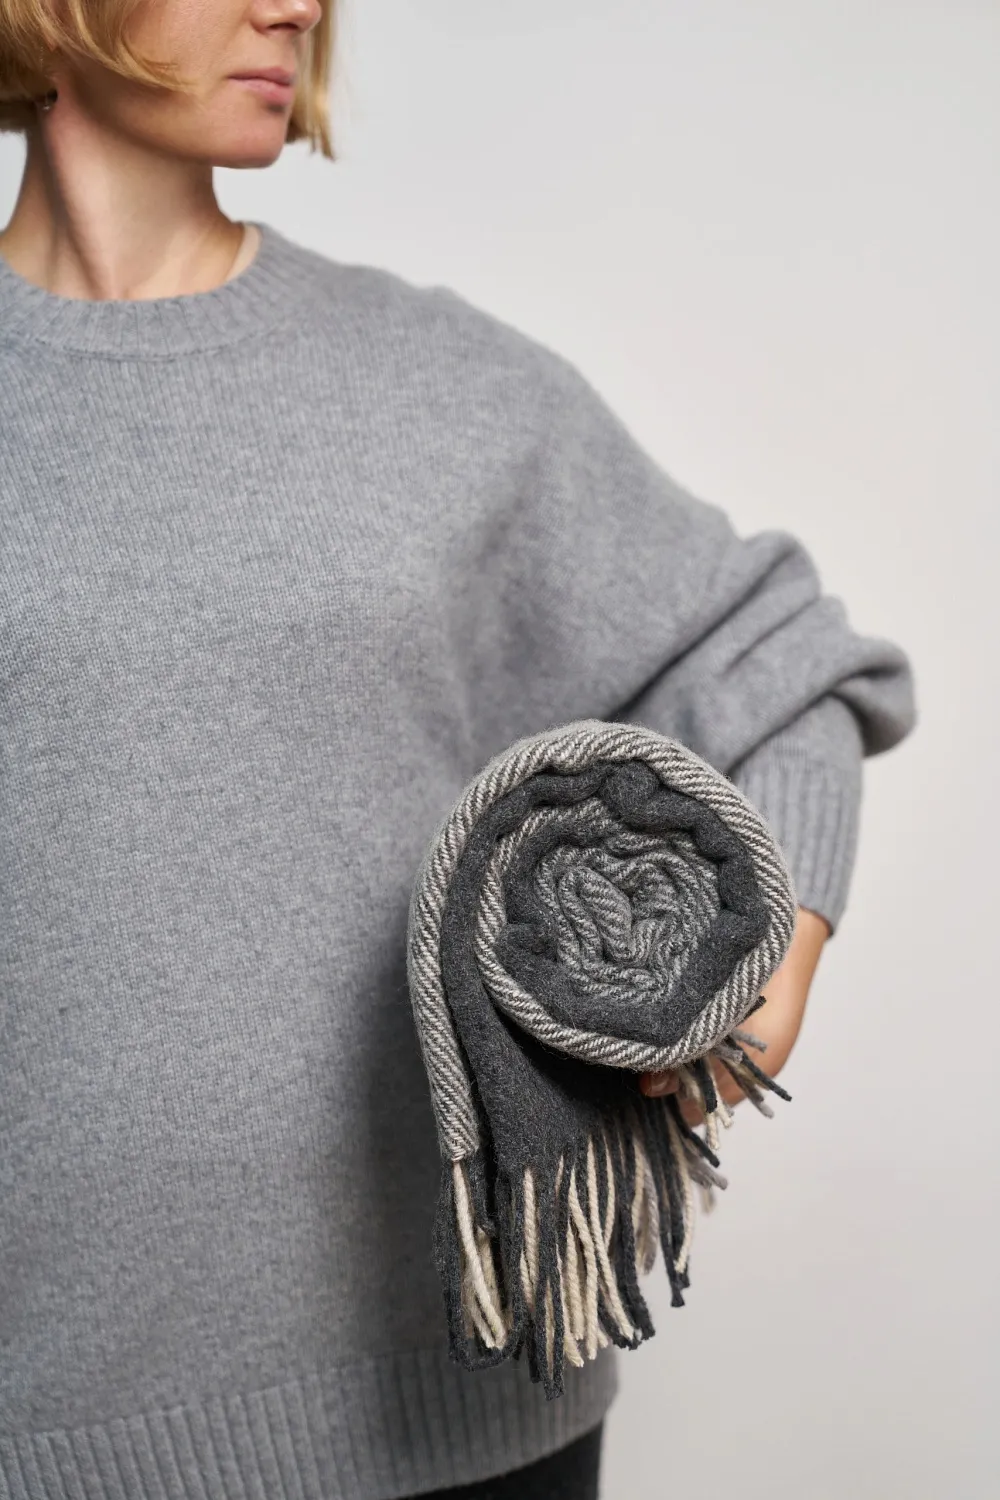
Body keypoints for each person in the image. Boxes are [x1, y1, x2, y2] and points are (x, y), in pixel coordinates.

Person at [0, 4, 917, 1499]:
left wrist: (773, 969)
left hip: (473, 1411)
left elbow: (777, 658)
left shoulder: (435, 384)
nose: (298, 6)